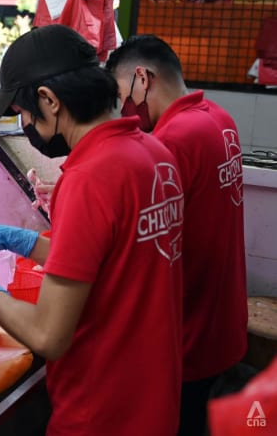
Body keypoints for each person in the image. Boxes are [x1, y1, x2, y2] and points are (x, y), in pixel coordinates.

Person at [0, 24, 185, 436]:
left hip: (102, 412)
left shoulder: (89, 177)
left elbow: (47, 336)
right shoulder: (155, 153)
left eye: (23, 112)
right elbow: (110, 259)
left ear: (49, 100)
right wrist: (17, 240)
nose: (25, 123)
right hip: (155, 399)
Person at [105, 34, 248, 436]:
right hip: (223, 324)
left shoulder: (172, 140)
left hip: (189, 333)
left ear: (142, 78)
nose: (123, 108)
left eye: (122, 95)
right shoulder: (219, 118)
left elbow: (137, 236)